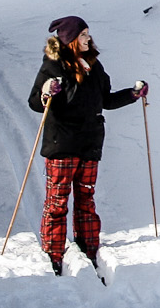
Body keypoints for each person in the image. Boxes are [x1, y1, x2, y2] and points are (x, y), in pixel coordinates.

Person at [27, 15, 145, 276]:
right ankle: (54, 250)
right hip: (63, 143)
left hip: (90, 143)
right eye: (83, 35)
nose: (88, 38)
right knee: (57, 202)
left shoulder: (94, 66)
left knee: (86, 198)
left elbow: (106, 100)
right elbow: (35, 102)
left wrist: (132, 95)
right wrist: (47, 91)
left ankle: (89, 245)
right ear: (70, 39)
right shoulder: (53, 66)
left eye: (88, 34)